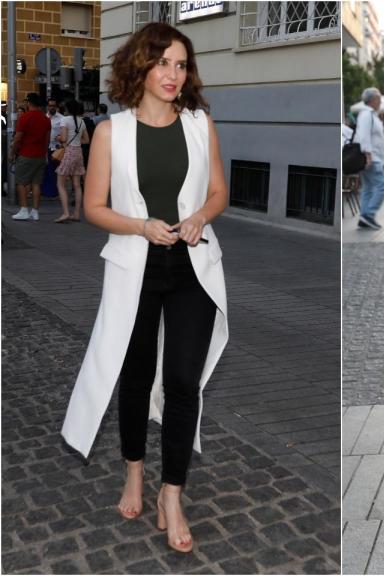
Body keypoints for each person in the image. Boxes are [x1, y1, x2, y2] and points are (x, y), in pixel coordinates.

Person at [61, 22, 229, 555]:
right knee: (134, 378)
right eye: (163, 64)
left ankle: (171, 493)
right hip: (136, 267)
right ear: (140, 66)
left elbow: (220, 191)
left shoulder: (201, 124)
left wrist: (201, 214)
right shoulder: (112, 132)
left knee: (184, 383)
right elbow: (92, 208)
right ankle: (134, 470)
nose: (173, 75)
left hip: (194, 269)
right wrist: (140, 225)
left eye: (181, 65)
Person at [10, 93, 51, 221]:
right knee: (36, 184)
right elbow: (47, 140)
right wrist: (44, 154)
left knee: (21, 182)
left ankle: (23, 209)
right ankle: (35, 211)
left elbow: (17, 138)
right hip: (40, 155)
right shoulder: (46, 119)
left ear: (29, 103)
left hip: (26, 154)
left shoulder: (24, 118)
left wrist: (12, 153)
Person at [354, 88, 384, 230]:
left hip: (373, 156)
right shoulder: (367, 114)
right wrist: (367, 155)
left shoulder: (371, 115)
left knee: (368, 187)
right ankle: (368, 214)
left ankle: (364, 217)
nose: (380, 101)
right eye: (379, 99)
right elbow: (364, 136)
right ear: (373, 100)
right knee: (382, 186)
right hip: (371, 157)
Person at [54, 99, 90, 223]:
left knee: (60, 184)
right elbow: (86, 140)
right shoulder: (82, 121)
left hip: (68, 152)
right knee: (77, 185)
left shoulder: (65, 120)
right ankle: (76, 214)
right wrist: (76, 141)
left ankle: (65, 213)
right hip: (78, 153)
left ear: (67, 109)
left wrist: (58, 137)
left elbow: (63, 138)